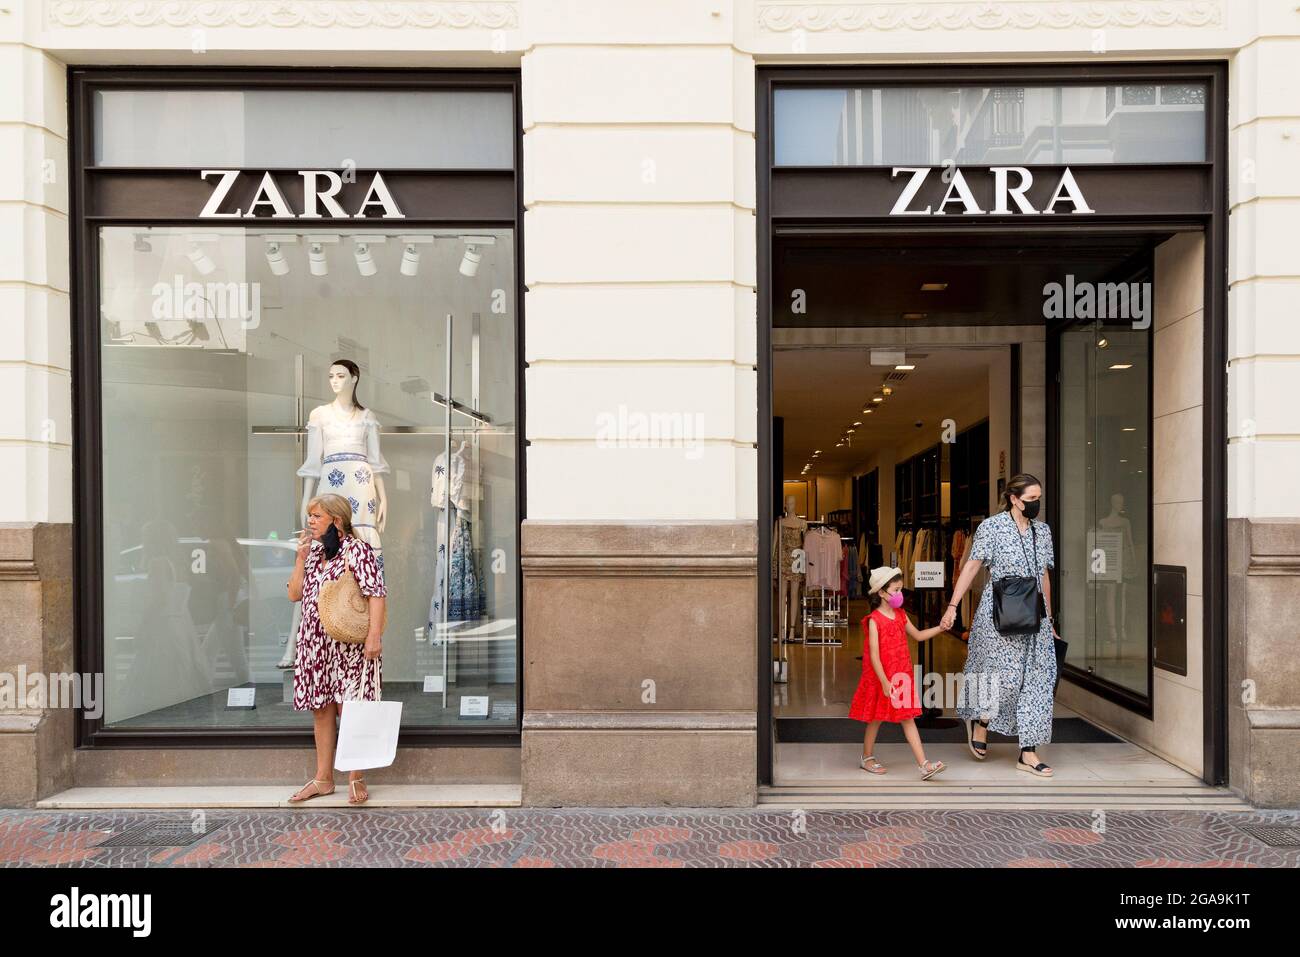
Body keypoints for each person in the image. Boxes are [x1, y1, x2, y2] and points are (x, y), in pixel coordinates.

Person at [941, 473, 1059, 777]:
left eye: (1039, 498)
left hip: (1035, 617)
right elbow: (971, 566)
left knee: (1038, 681)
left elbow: (1044, 575)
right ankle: (982, 722)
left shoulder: (1042, 532)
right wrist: (953, 606)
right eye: (1031, 499)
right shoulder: (991, 528)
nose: (1036, 504)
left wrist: (1051, 617)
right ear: (1014, 499)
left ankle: (1028, 753)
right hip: (999, 614)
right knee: (1000, 678)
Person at [285, 493, 386, 804]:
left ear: (336, 521)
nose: (311, 521)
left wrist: (374, 636)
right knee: (322, 708)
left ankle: (356, 777)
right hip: (316, 645)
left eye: (317, 516)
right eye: (310, 516)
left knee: (350, 708)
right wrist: (300, 559)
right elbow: (294, 595)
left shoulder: (358, 551)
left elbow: (377, 594)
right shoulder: (314, 554)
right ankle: (323, 779)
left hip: (348, 647)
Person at [849, 566, 947, 780]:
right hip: (881, 678)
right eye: (895, 590)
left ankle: (924, 764)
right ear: (881, 593)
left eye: (901, 589)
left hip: (901, 675)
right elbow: (874, 655)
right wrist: (884, 681)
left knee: (908, 718)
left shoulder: (901, 615)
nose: (899, 594)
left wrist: (940, 627)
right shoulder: (874, 620)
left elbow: (919, 636)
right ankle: (867, 758)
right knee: (875, 718)